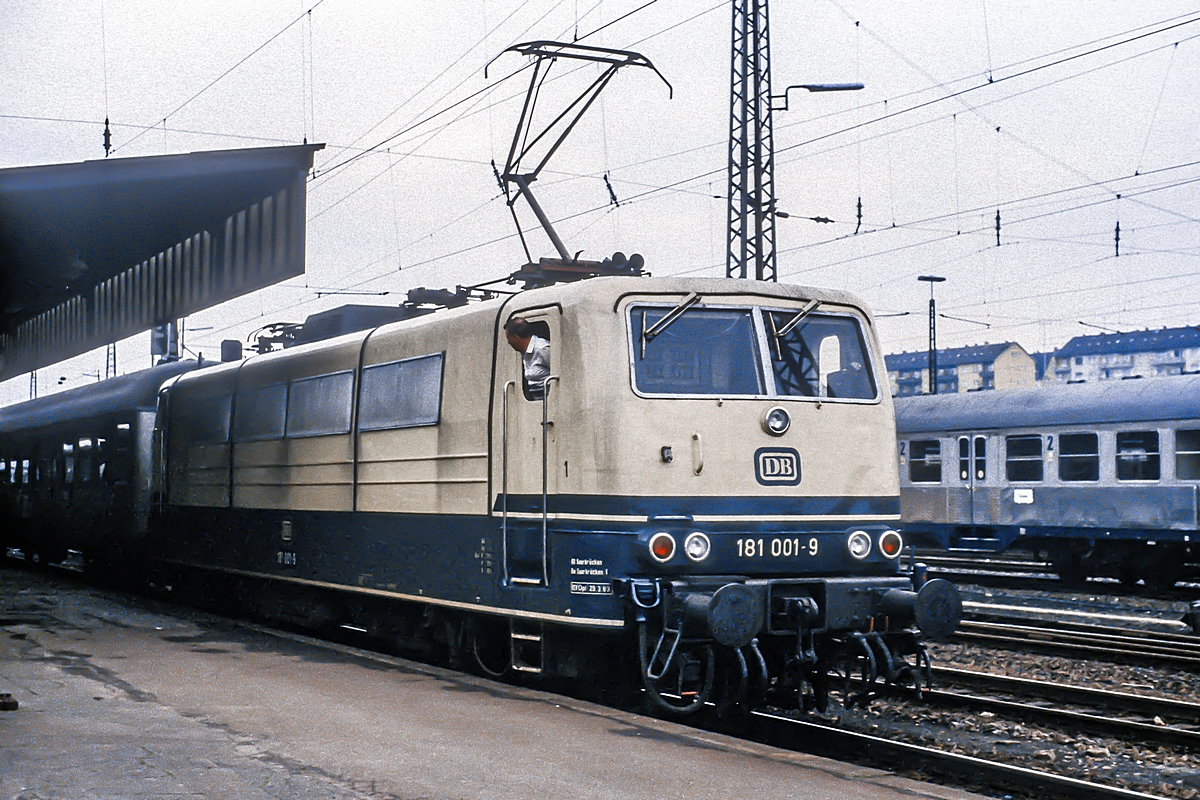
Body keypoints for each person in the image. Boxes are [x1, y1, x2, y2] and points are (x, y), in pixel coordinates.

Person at [505, 317, 550, 394]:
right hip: (535, 394)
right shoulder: (524, 351)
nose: (509, 342)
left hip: (547, 394)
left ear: (516, 338)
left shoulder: (542, 348)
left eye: (509, 338)